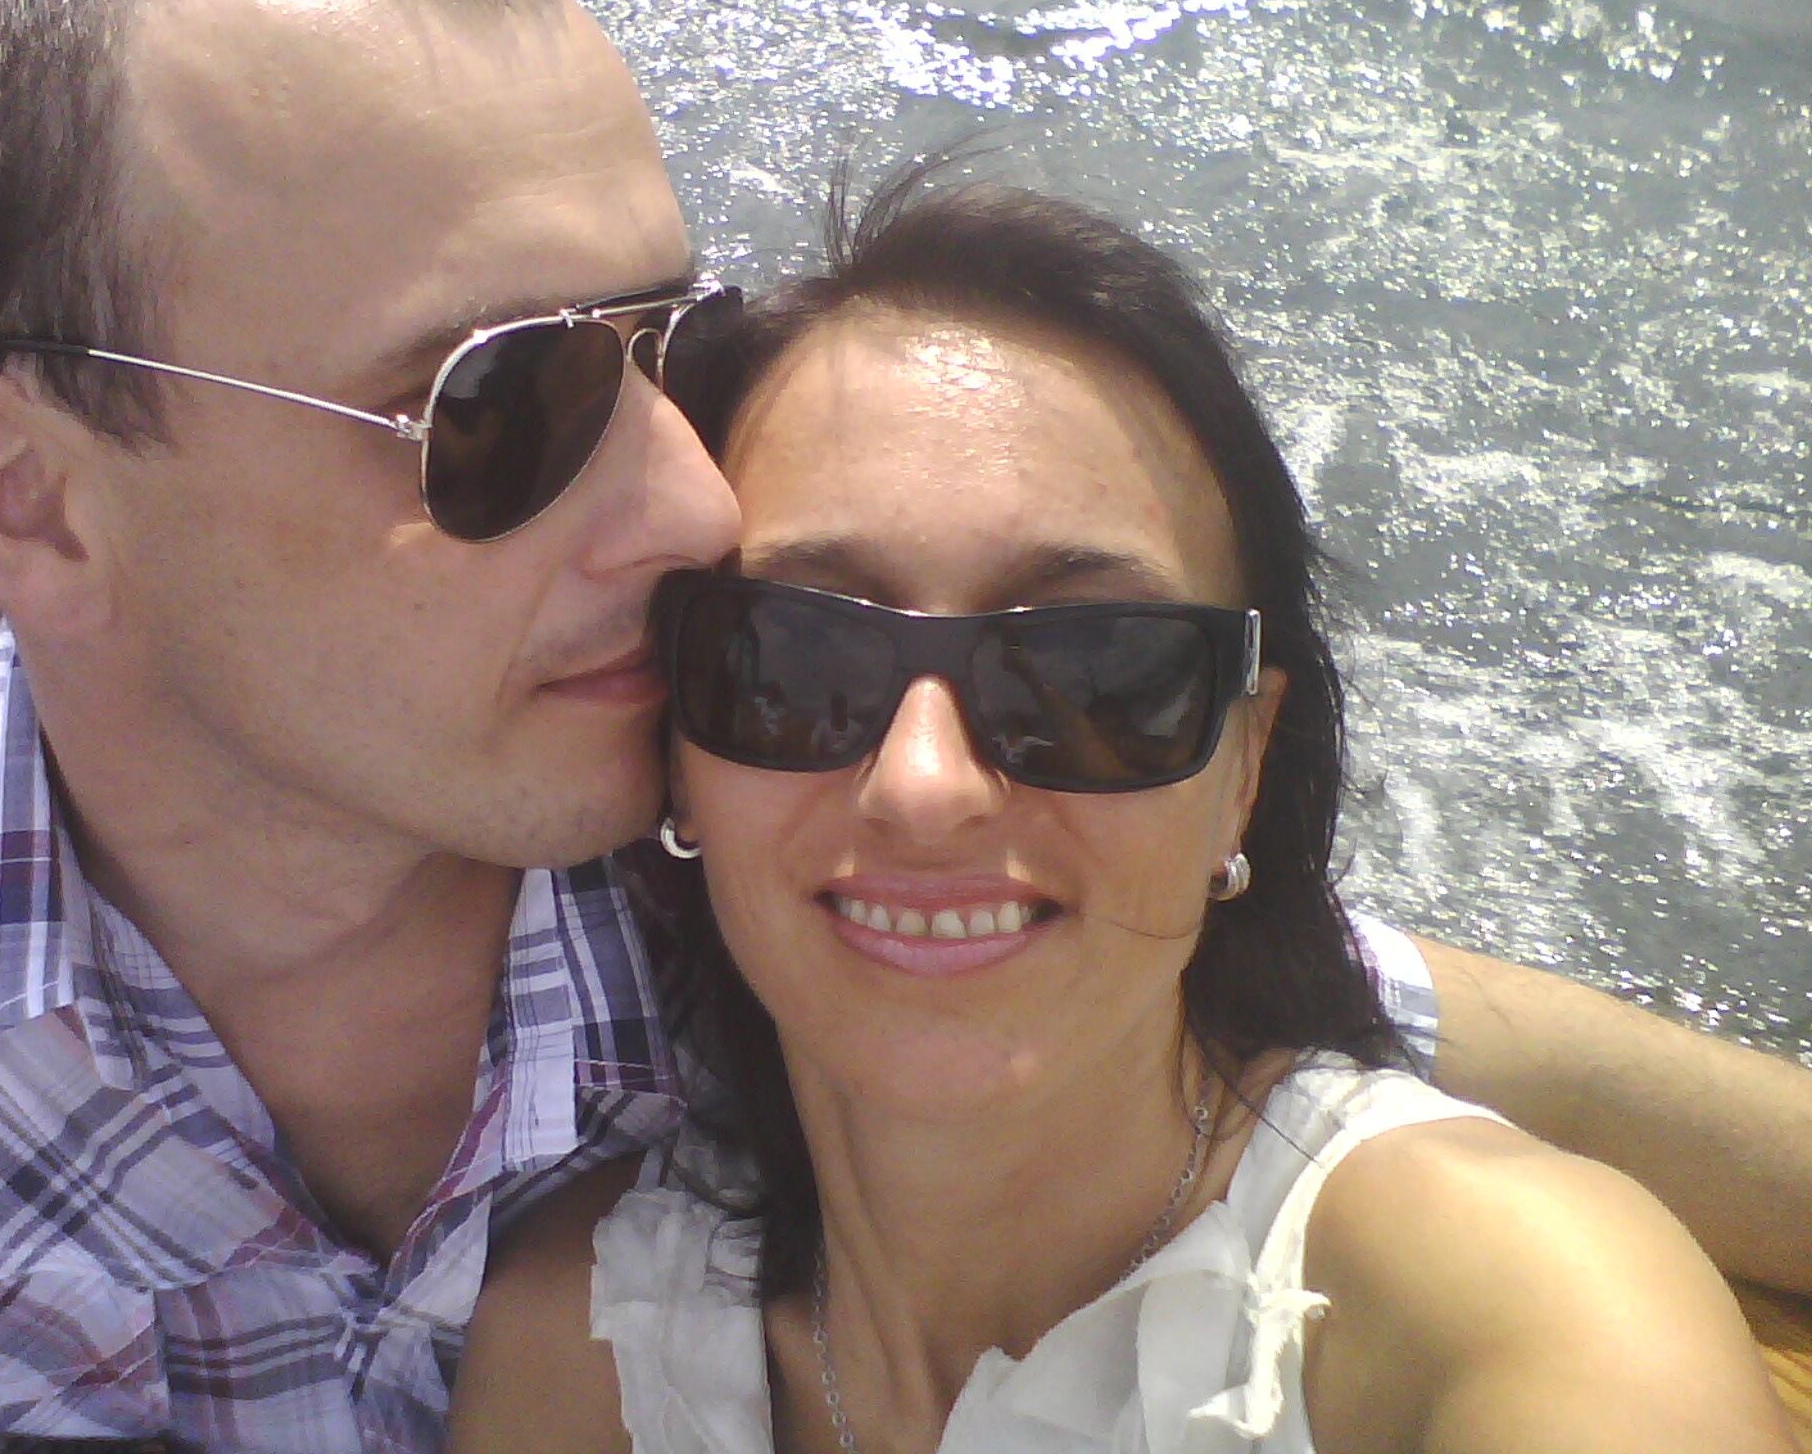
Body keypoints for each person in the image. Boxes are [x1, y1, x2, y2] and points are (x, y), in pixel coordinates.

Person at [0, 0, 1809, 1449]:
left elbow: (1295, 1007)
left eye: (676, 345)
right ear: (27, 500)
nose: (688, 507)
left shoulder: (767, 791)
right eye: (501, 402)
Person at [450, 180, 1799, 1453]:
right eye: (795, 658)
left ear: (1244, 766)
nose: (926, 786)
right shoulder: (592, 1344)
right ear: (681, 754)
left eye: (1095, 674)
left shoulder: (1504, 1308)